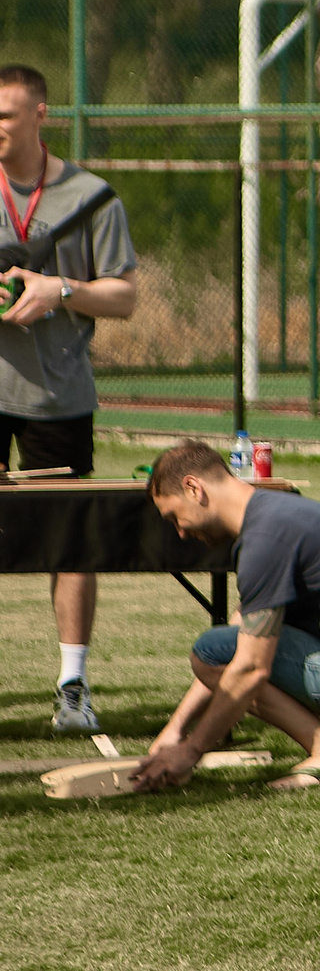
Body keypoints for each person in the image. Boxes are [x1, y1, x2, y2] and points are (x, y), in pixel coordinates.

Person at [131, 440, 320, 792]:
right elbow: (241, 630)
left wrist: (191, 750)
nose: (182, 532)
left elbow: (247, 668)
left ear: (194, 488)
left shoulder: (264, 538)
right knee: (226, 647)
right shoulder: (274, 514)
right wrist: (176, 729)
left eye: (175, 517)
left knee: (212, 650)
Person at [0, 64, 139, 735]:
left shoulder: (91, 197)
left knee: (69, 541)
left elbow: (127, 296)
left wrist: (61, 290)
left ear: (40, 115)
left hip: (57, 395)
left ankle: (72, 683)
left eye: (7, 114)